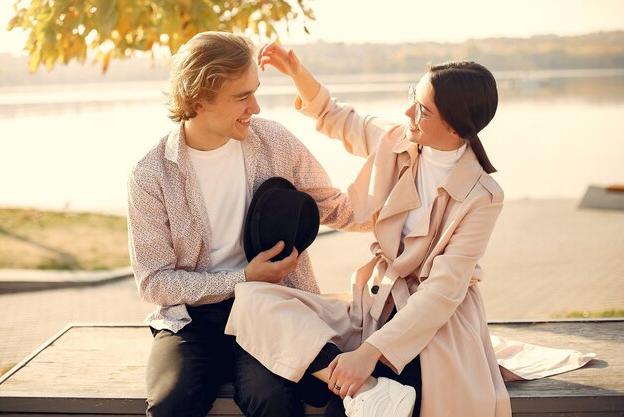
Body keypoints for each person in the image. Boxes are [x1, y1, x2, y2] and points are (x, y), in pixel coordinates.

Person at [225, 43, 512, 417]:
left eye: (422, 109)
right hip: (374, 303)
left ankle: (361, 386)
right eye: (413, 96)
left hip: (433, 322)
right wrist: (296, 71)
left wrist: (369, 353)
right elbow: (335, 116)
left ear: (455, 127)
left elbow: (443, 291)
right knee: (253, 298)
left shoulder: (483, 197)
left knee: (344, 410)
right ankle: (365, 386)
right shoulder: (397, 141)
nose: (408, 111)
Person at [126, 32, 371, 417]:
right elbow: (154, 282)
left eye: (255, 92)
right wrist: (242, 279)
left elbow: (336, 208)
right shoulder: (151, 175)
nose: (254, 107)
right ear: (198, 100)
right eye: (242, 96)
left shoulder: (275, 142)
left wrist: (414, 215)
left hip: (271, 311)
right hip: (189, 320)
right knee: (172, 402)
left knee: (273, 399)